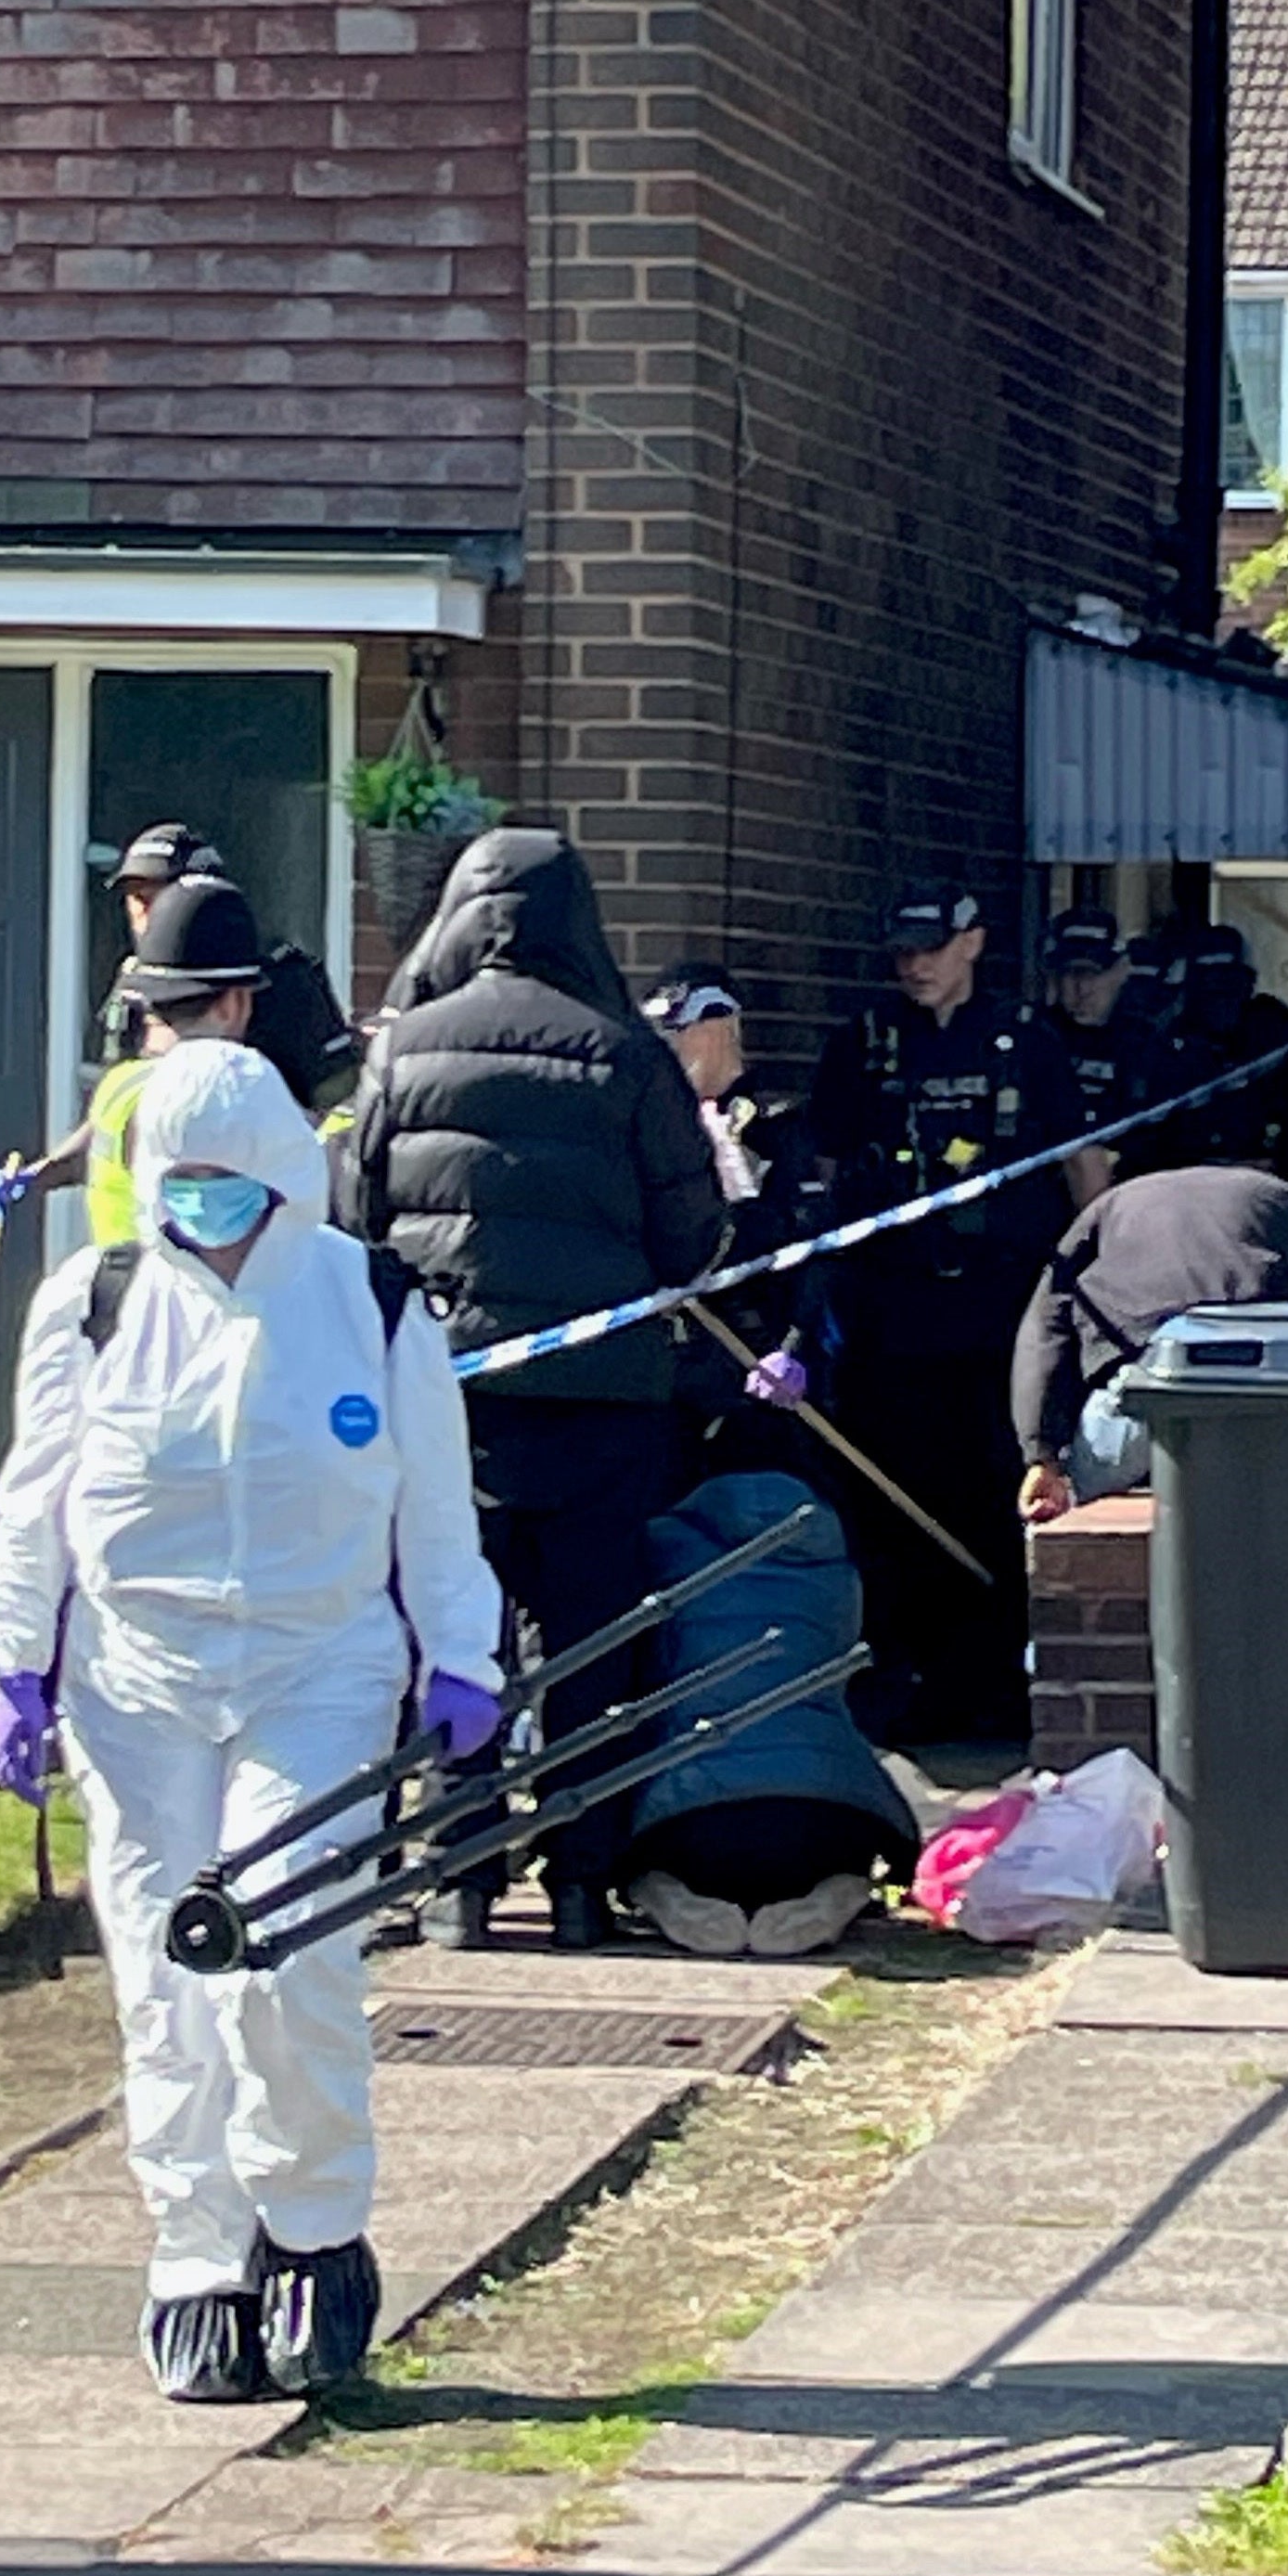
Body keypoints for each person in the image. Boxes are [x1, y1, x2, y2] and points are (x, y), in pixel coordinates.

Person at [0, 1037, 505, 2404]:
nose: (208, 1207)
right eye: (184, 1181)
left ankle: (315, 2230)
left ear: (282, 1175)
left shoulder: (369, 1301)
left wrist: (462, 1655)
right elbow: (35, 1492)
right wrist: (14, 1658)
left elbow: (434, 1504)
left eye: (234, 1182)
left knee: (291, 1960)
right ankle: (198, 2254)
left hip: (318, 1666)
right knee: (168, 1982)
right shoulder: (92, 1304)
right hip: (138, 1682)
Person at [341, 831, 727, 1951]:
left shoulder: (403, 1049)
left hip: (446, 1401)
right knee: (592, 1646)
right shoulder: (626, 1054)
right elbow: (691, 1233)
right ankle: (577, 1879)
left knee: (452, 1639)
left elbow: (358, 1217)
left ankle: (459, 1874)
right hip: (605, 1404)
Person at [808, 879, 1078, 1745]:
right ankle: (905, 1677)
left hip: (999, 1312)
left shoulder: (1027, 1043)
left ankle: (997, 1678)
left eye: (931, 947)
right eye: (903, 951)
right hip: (893, 1316)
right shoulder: (864, 1044)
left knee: (997, 1492)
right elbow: (821, 1167)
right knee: (895, 1501)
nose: (915, 965)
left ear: (973, 942)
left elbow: (1080, 1168)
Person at [0, 823, 358, 1223]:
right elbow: (114, 1117)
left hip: (245, 1235)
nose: (144, 914)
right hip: (131, 1254)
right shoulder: (132, 981)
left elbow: (336, 1113)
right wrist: (46, 1173)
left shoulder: (277, 983)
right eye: (134, 900)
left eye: (154, 897)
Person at [622, 1475, 922, 1961]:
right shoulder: (832, 1564)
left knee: (643, 1838)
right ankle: (838, 1890)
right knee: (841, 1819)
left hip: (688, 1819)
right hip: (826, 1809)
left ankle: (663, 1891)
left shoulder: (664, 1552)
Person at [1013, 1163, 1288, 1515]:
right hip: (1254, 1380)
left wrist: (1042, 1457)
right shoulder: (1277, 1196)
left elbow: (1044, 1330)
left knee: (1088, 1533)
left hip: (1146, 1378)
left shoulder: (1110, 1205)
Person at [642, 960, 828, 1482]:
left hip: (756, 1350)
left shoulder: (777, 1124)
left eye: (677, 1035)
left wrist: (792, 1348)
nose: (667, 1050)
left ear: (720, 1028)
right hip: (674, 1357)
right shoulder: (655, 1124)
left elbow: (812, 1248)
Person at [1147, 921, 1288, 1268]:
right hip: (1187, 1214)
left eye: (1229, 987)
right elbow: (1144, 1153)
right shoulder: (1165, 1047)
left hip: (1267, 1211)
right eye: (1208, 989)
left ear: (1247, 984)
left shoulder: (1274, 1040)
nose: (1219, 1002)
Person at [1039, 909, 1170, 1206]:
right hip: (1044, 1205)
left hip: (1134, 1200)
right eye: (1070, 972)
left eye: (1093, 973)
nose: (1081, 989)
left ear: (1122, 970)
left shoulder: (1148, 1045)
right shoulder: (1035, 1041)